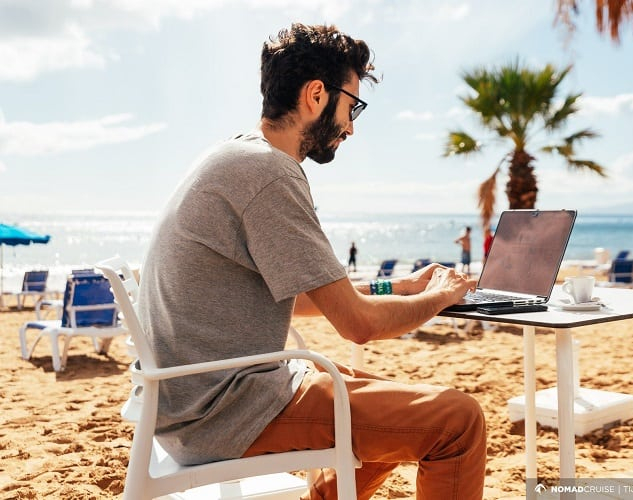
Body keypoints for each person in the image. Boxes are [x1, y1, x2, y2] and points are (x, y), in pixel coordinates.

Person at [138, 23, 486, 500]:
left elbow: (299, 294)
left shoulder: (237, 156)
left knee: (387, 406)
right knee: (457, 421)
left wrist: (400, 287)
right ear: (317, 95)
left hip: (192, 400)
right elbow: (358, 325)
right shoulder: (269, 175)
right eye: (352, 106)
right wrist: (442, 297)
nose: (352, 125)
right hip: (224, 411)